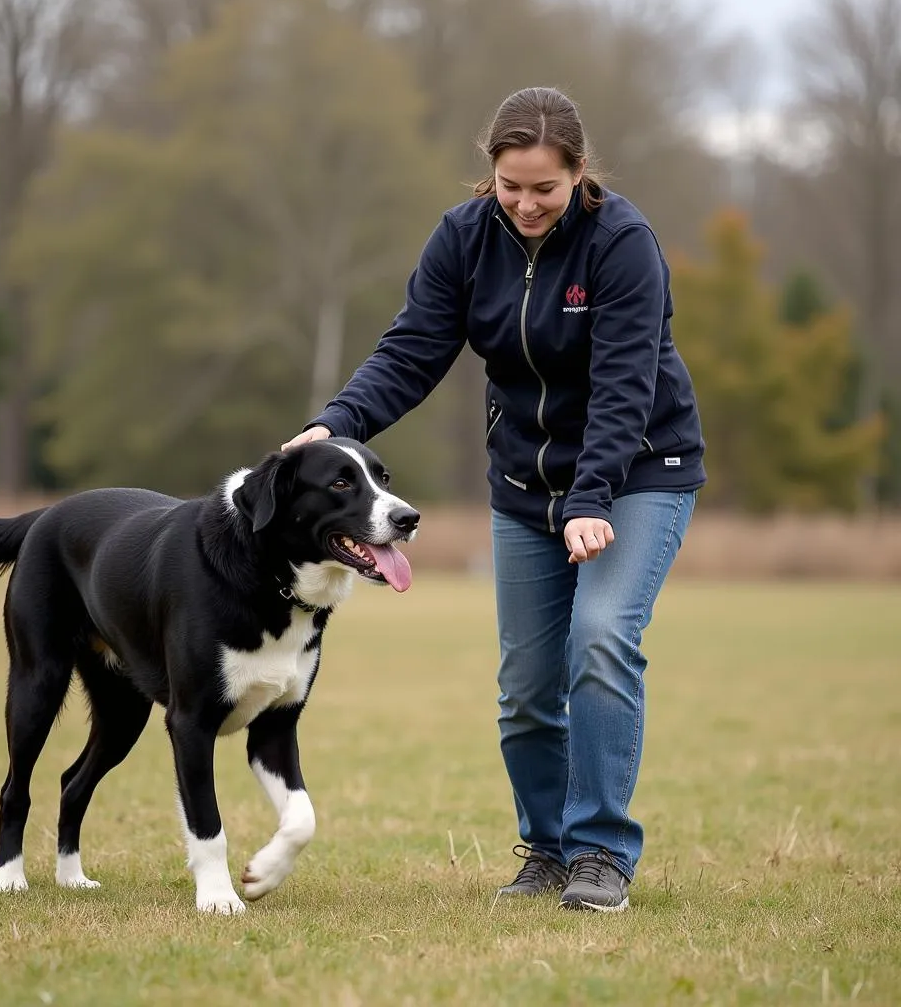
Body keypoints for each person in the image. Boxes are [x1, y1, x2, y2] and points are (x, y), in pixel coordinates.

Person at [282, 87, 705, 912]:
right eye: (511, 185)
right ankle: (547, 850)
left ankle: (601, 854)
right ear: (492, 173)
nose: (525, 203)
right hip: (523, 485)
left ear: (580, 175)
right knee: (524, 684)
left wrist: (592, 498)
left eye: (544, 188)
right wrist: (331, 425)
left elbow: (625, 386)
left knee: (601, 639)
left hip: (640, 470)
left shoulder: (622, 245)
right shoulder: (465, 239)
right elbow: (410, 352)